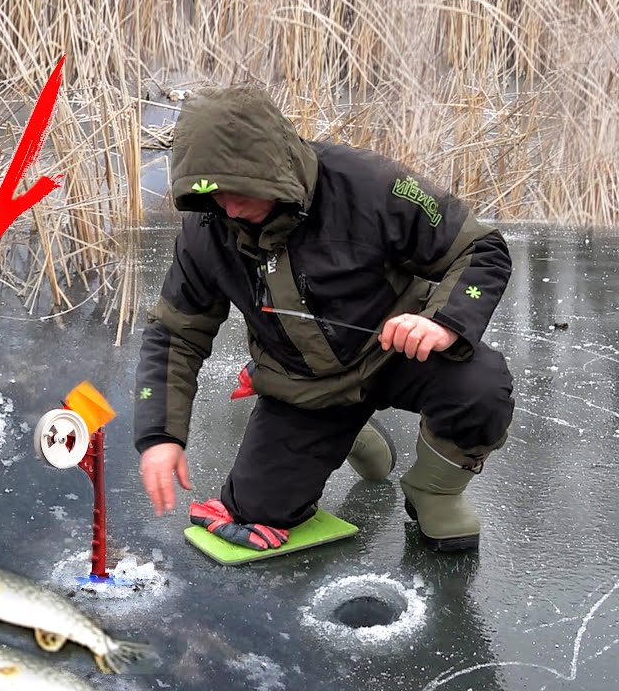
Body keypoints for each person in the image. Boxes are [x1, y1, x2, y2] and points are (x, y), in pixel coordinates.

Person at [134, 85, 514, 553]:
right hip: (303, 387)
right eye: (213, 194)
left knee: (481, 387)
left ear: (271, 166)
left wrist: (442, 321)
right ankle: (350, 433)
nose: (229, 207)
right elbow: (176, 332)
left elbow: (479, 248)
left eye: (239, 189)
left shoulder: (370, 184)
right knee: (258, 514)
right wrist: (160, 434)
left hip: (396, 354)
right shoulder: (206, 229)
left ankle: (434, 490)